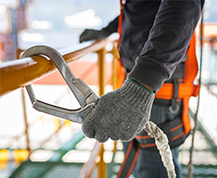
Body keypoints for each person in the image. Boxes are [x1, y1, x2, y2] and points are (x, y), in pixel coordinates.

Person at [80, 1, 205, 177]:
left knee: (152, 170)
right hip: (138, 81)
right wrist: (108, 30)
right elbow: (141, 8)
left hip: (154, 86)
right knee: (140, 164)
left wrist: (143, 83)